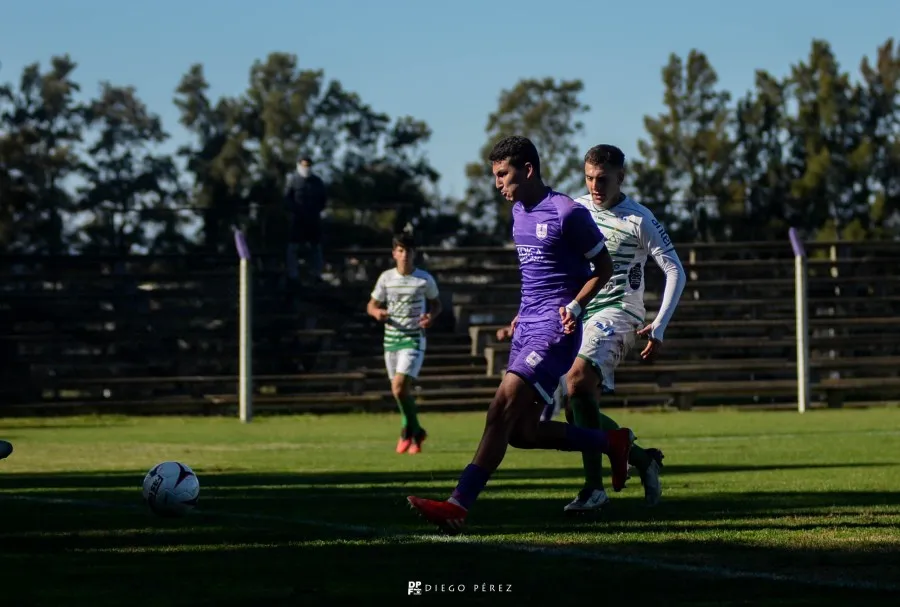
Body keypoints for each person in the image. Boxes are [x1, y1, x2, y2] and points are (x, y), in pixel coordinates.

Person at [406, 136, 634, 535]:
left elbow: (604, 266)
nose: (497, 182)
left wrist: (575, 307)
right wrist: (519, 316)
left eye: (502, 174)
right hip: (528, 326)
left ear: (527, 170)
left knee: (498, 411)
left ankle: (458, 504)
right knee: (524, 434)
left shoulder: (567, 213)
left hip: (555, 329)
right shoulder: (518, 214)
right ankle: (610, 443)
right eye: (494, 175)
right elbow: (537, 276)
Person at [551, 144, 685, 512]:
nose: (596, 185)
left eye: (604, 179)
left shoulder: (638, 219)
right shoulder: (574, 211)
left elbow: (675, 270)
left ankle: (593, 488)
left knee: (577, 382)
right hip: (580, 313)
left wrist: (659, 325)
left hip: (621, 314)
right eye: (590, 178)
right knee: (576, 408)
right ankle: (640, 457)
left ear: (621, 177)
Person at [367, 230, 442, 454]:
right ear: (394, 254)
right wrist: (376, 313)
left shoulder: (424, 279)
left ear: (414, 253)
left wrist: (431, 316)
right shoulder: (386, 278)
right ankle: (416, 431)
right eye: (400, 250)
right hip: (391, 340)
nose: (405, 254)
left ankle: (407, 431)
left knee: (399, 388)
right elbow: (371, 305)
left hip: (413, 339)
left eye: (408, 250)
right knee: (399, 391)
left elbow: (436, 304)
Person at [284, 156, 327, 283]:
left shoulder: (317, 181)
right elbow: (287, 199)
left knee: (316, 248)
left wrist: (315, 210)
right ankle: (293, 275)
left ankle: (316, 274)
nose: (306, 168)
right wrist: (295, 210)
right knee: (293, 248)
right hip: (298, 220)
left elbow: (323, 200)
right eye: (304, 165)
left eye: (308, 165)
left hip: (313, 220)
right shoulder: (292, 180)